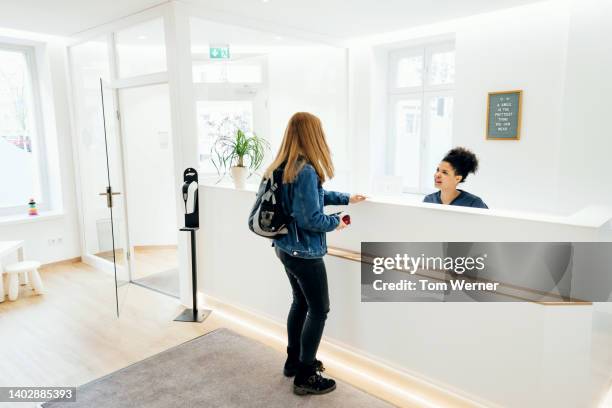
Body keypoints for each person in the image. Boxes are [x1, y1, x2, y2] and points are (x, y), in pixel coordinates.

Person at [264, 112, 366, 396]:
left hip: (284, 247)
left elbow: (310, 197)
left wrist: (346, 198)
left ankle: (294, 361)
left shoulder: (281, 166)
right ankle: (306, 376)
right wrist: (339, 221)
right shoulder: (305, 170)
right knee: (319, 309)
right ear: (313, 135)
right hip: (304, 252)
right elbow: (311, 218)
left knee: (300, 303)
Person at [423, 147, 488, 209]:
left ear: (457, 179)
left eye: (444, 172)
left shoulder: (474, 203)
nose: (437, 175)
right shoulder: (428, 200)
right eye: (438, 170)